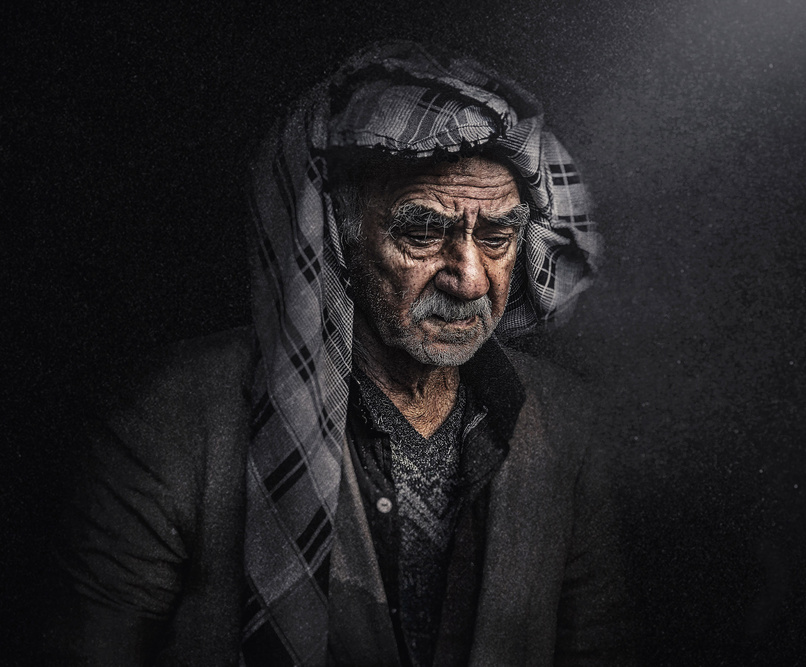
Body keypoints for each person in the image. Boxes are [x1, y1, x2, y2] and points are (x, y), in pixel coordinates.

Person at [48, 40, 629, 666]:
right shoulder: (177, 416)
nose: (469, 279)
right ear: (337, 237)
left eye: (496, 237)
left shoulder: (569, 423)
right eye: (422, 232)